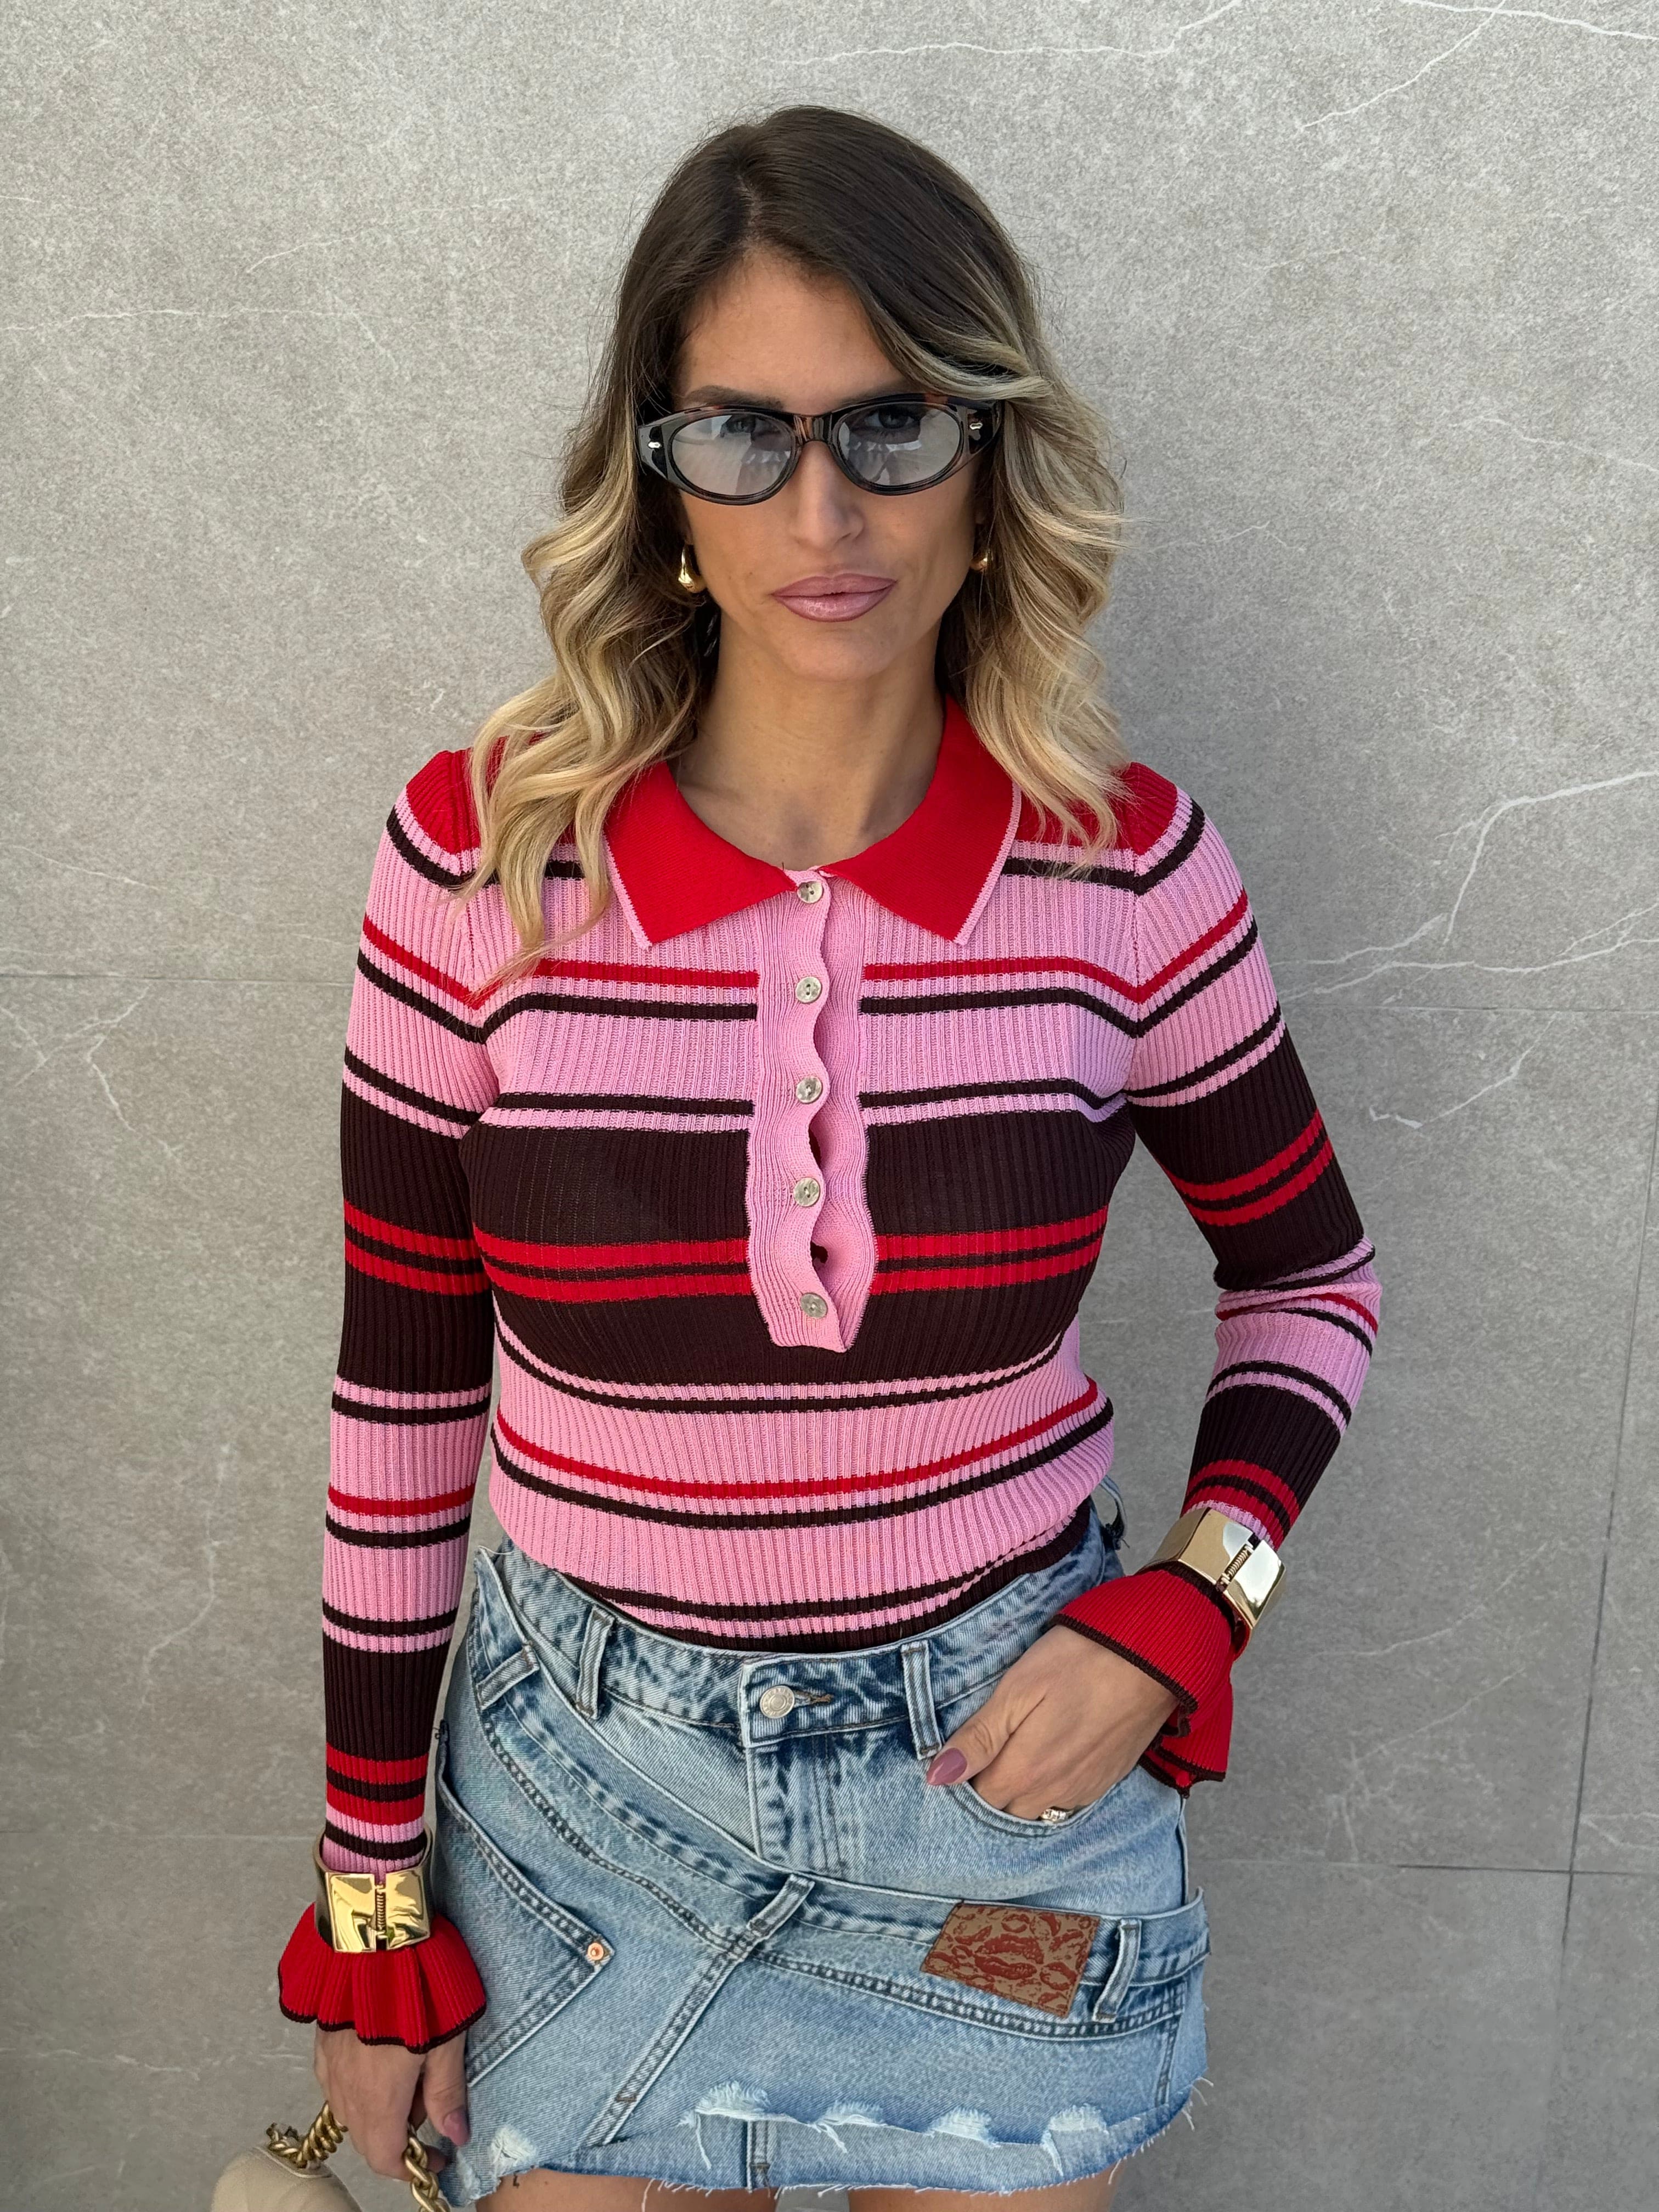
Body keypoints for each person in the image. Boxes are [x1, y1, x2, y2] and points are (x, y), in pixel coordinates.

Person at [274, 104, 1380, 2212]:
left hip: (1004, 1797)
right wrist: (372, 1901)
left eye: (891, 425)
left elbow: (1311, 1278)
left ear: (987, 462)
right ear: (658, 479)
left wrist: (1192, 1603)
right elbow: (402, 1401)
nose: (822, 508)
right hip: (583, 1806)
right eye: (741, 434)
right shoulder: (481, 864)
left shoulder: (1129, 874)